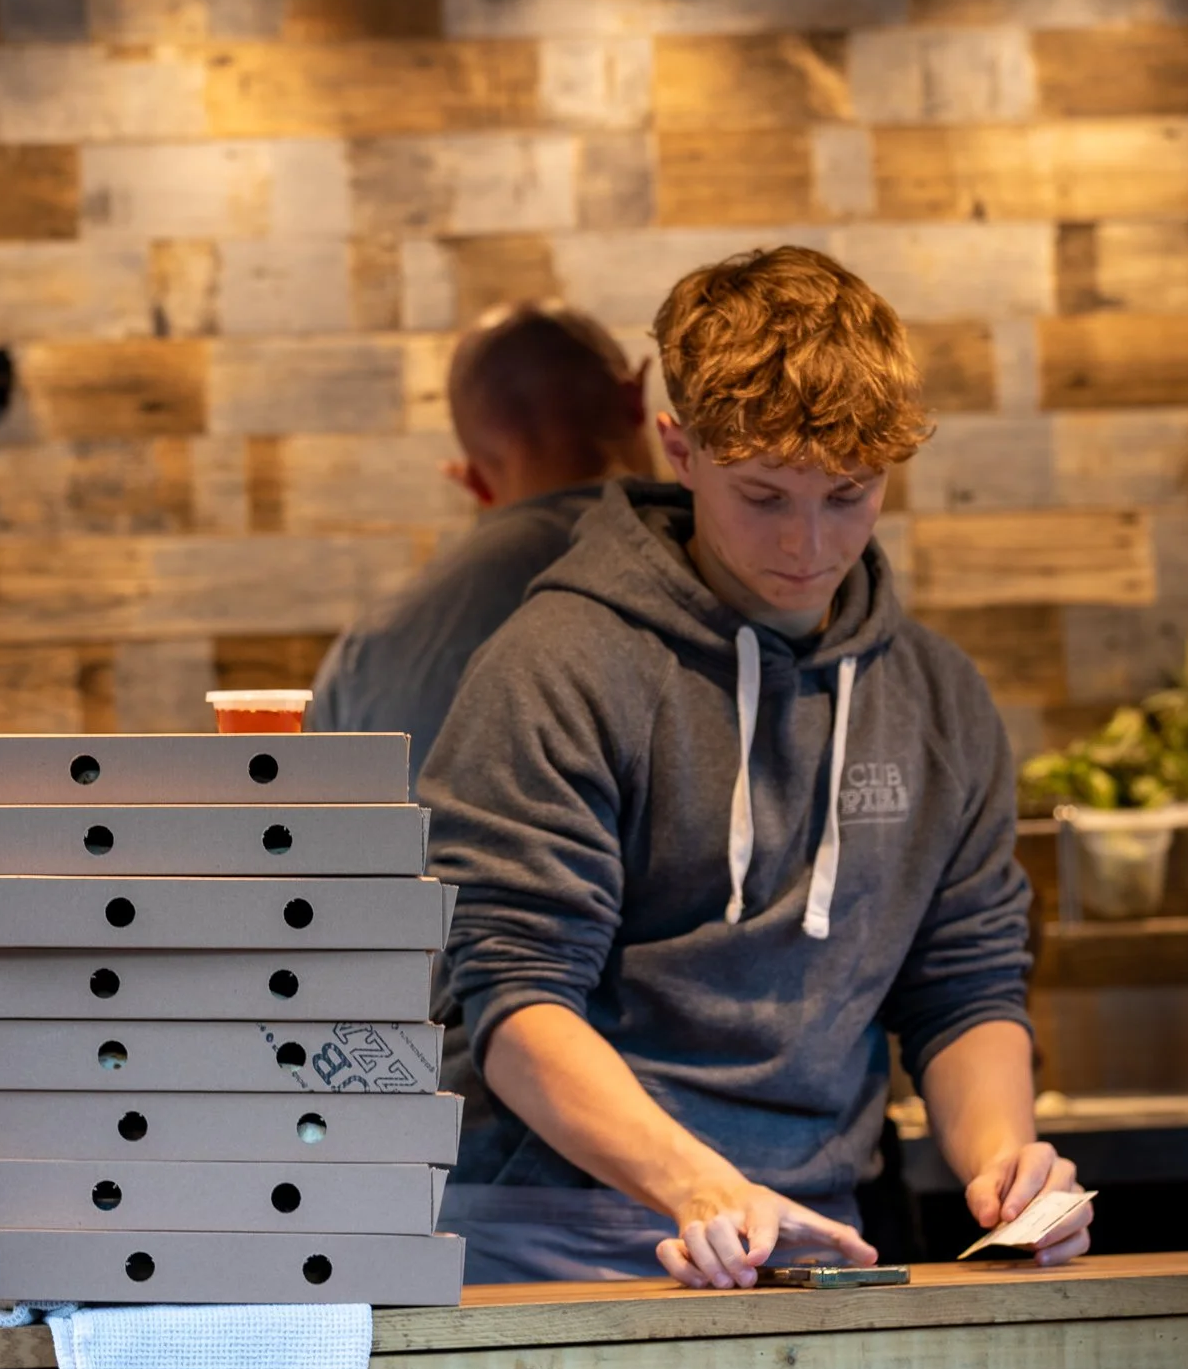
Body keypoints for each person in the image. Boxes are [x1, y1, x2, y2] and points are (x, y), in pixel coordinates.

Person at [421, 245, 1091, 1288]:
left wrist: (1002, 1162)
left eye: (847, 494)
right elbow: (514, 998)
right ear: (678, 451)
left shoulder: (936, 697)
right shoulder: (555, 666)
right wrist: (695, 1183)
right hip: (549, 1224)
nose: (807, 544)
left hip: (814, 1231)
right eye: (764, 495)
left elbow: (962, 985)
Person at [306, 301, 653, 784]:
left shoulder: (368, 653)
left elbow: (311, 841)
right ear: (637, 399)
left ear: (475, 482)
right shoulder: (748, 571)